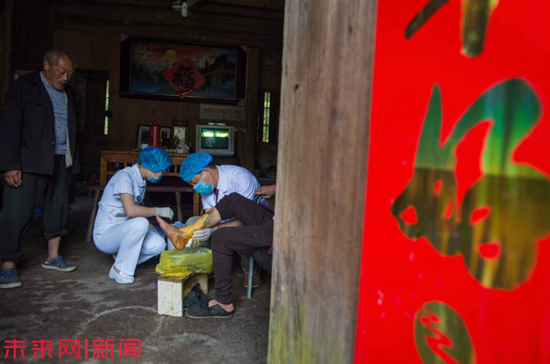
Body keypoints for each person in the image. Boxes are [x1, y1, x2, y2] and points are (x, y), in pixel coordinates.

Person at [0, 49, 80, 289]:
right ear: (46, 65)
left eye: (70, 73)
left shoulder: (70, 95)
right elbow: (9, 127)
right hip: (30, 161)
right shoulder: (24, 87)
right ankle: (7, 267)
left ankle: (53, 257)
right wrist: (11, 165)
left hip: (60, 159)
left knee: (58, 207)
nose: (65, 77)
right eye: (62, 71)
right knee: (16, 211)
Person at [156, 188, 277, 318]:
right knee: (233, 200)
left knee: (220, 237)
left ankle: (223, 302)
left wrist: (214, 230)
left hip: (288, 230)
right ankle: (185, 233)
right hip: (278, 219)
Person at [178, 152, 265, 287]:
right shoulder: (207, 186)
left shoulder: (240, 178)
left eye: (194, 182)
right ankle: (209, 266)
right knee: (191, 223)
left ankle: (251, 271)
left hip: (251, 221)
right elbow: (209, 214)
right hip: (224, 219)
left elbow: (245, 218)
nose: (194, 187)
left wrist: (214, 229)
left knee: (231, 234)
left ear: (206, 172)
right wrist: (197, 231)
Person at [92, 147, 175, 284]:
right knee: (141, 223)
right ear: (152, 167)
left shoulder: (141, 181)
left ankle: (120, 258)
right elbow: (131, 211)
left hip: (123, 231)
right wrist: (158, 211)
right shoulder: (124, 177)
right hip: (106, 235)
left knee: (158, 244)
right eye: (160, 171)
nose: (161, 174)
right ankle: (120, 270)